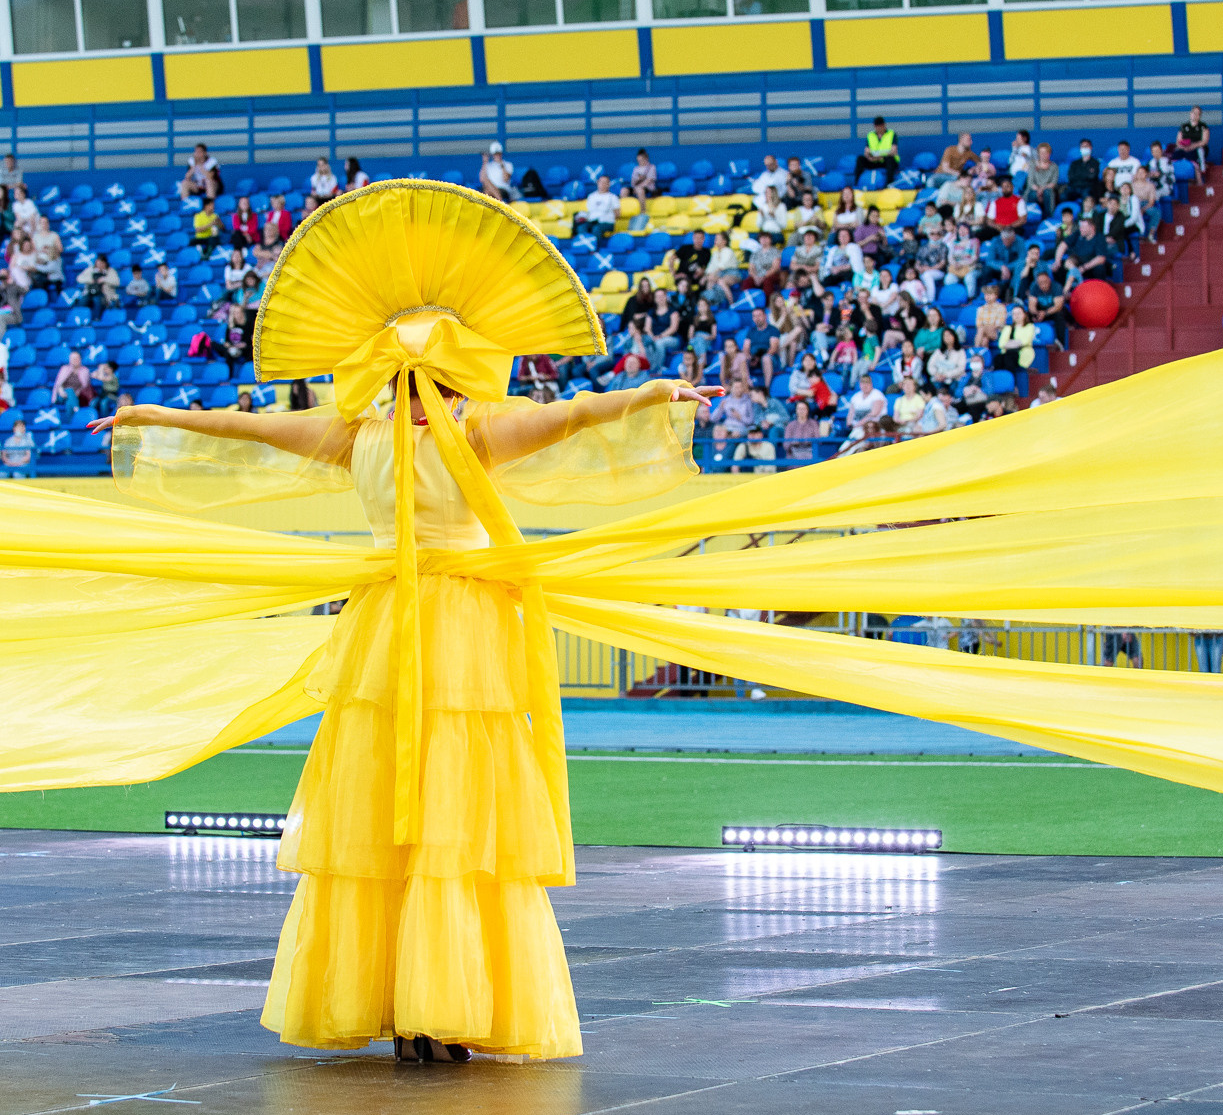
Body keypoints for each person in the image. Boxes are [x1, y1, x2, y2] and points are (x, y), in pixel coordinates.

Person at [93, 180, 718, 1062]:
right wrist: (148, 414)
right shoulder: (402, 431)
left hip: (418, 624)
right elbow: (244, 427)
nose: (414, 383)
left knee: (424, 809)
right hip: (428, 624)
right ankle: (422, 1003)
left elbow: (573, 411)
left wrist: (647, 394)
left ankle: (422, 1004)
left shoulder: (409, 432)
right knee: (417, 809)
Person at [855, 117, 899, 186]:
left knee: (890, 160)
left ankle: (889, 184)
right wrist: (870, 158)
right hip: (874, 161)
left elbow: (893, 151)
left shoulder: (891, 134)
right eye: (877, 126)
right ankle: (857, 183)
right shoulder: (870, 135)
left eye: (880, 126)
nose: (879, 128)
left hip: (885, 160)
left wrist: (881, 156)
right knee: (860, 159)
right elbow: (866, 152)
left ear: (884, 125)